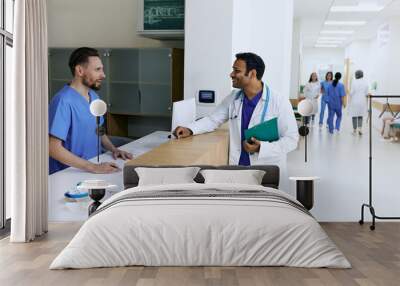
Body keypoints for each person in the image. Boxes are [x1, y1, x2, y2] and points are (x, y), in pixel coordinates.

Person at [173, 52, 299, 188]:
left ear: (252, 74)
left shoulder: (279, 101)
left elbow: (292, 140)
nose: (231, 74)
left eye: (236, 70)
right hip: (238, 169)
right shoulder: (234, 97)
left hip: (266, 169)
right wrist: (190, 129)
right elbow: (213, 119)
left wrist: (262, 147)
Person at [49, 47, 133, 174]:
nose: (103, 75)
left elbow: (98, 130)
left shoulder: (94, 96)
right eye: (97, 69)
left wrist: (113, 149)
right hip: (68, 174)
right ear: (80, 70)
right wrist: (93, 167)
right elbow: (53, 148)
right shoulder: (63, 101)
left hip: (92, 167)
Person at [348, 70, 369, 135]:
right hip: (362, 101)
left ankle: (354, 130)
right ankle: (360, 129)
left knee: (354, 115)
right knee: (360, 115)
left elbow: (351, 93)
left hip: (355, 101)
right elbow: (366, 93)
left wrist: (348, 92)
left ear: (356, 75)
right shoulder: (365, 83)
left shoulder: (354, 82)